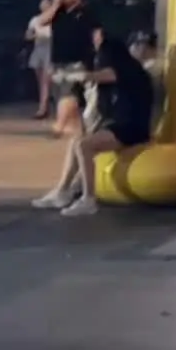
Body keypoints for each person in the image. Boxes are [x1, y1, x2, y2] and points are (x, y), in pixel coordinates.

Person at [32, 23, 156, 215]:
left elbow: (102, 75)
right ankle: (62, 191)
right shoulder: (129, 68)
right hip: (120, 124)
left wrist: (71, 75)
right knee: (76, 141)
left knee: (84, 145)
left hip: (131, 128)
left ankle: (88, 198)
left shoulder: (128, 68)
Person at [44, 0, 99, 139]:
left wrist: (97, 54)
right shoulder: (57, 12)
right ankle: (77, 128)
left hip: (78, 59)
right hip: (58, 59)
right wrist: (55, 4)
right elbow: (42, 21)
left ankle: (59, 125)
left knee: (68, 93)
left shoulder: (86, 12)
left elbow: (96, 33)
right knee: (60, 93)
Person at [25, 4, 53, 119]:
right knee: (40, 80)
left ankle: (43, 108)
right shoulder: (35, 20)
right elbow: (28, 35)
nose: (43, 5)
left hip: (50, 49)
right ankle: (44, 105)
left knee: (46, 80)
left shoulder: (54, 20)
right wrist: (33, 36)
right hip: (38, 49)